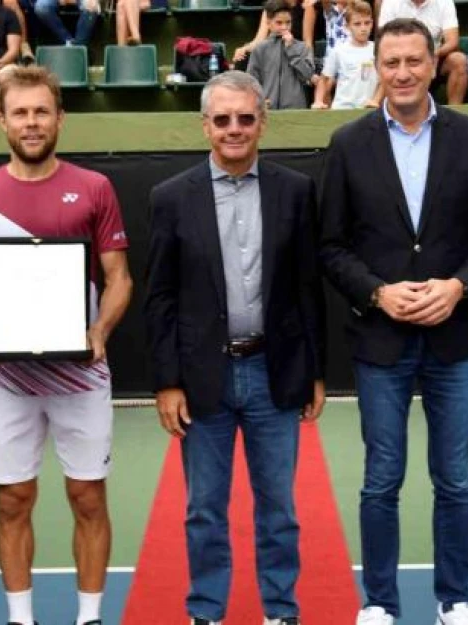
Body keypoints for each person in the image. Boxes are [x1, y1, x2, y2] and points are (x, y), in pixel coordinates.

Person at [318, 18, 468, 625]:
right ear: (377, 67)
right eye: (391, 62)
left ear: (433, 64)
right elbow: (330, 246)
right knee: (381, 481)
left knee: (455, 480)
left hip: (456, 339)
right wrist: (377, 294)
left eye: (413, 61)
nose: (402, 72)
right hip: (382, 339)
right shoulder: (348, 143)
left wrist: (458, 288)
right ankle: (379, 602)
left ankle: (454, 599)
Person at [0, 65, 132, 625]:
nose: (31, 123)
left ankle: (89, 617)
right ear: (0, 120)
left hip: (81, 375)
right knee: (12, 500)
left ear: (60, 118)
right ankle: (21, 618)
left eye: (41, 111)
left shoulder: (95, 188)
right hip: (7, 379)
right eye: (20, 112)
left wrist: (99, 332)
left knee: (88, 498)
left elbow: (119, 277)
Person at [143, 70, 325, 625]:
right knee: (203, 510)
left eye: (246, 118)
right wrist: (168, 381)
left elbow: (307, 289)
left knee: (279, 510)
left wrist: (315, 371)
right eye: (222, 119)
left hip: (275, 372)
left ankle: (280, 611)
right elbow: (160, 298)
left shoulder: (295, 190)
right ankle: (206, 611)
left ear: (262, 122)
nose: (234, 129)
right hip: (203, 378)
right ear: (205, 127)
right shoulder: (170, 198)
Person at [376, 0, 468, 104]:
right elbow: (383, 40)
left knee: (459, 60)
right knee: (387, 62)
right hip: (399, 58)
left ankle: (455, 110)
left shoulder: (444, 2)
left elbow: (452, 41)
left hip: (433, 58)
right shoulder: (390, 2)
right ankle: (378, 104)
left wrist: (432, 55)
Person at [312, 0, 380, 109]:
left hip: (369, 109)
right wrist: (318, 101)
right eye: (357, 24)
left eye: (367, 23)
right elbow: (324, 79)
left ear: (372, 23)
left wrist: (375, 100)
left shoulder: (378, 49)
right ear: (347, 26)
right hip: (342, 108)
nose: (363, 28)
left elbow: (384, 81)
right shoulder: (338, 50)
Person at [247, 0, 315, 110]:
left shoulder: (302, 47)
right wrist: (260, 100)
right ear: (269, 23)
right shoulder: (260, 49)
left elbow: (308, 75)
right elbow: (252, 80)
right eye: (279, 23)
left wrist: (291, 50)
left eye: (288, 22)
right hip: (268, 109)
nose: (284, 27)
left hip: (296, 109)